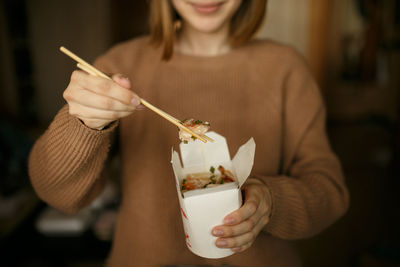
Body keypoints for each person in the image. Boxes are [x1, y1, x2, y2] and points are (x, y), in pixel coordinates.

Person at [28, 0, 349, 266]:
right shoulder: (119, 65)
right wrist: (83, 125)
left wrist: (271, 202)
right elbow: (58, 195)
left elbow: (330, 192)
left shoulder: (286, 67)